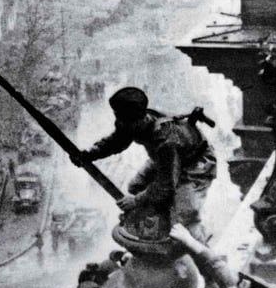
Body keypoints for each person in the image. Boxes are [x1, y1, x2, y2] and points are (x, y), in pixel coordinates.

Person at [75, 87, 216, 243]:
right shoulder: (130, 121)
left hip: (195, 164)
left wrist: (136, 201)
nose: (120, 124)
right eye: (119, 118)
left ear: (139, 119)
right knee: (135, 187)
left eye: (124, 121)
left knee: (184, 216)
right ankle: (159, 220)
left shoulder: (165, 138)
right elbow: (117, 141)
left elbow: (166, 184)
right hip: (165, 159)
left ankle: (200, 245)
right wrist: (90, 154)